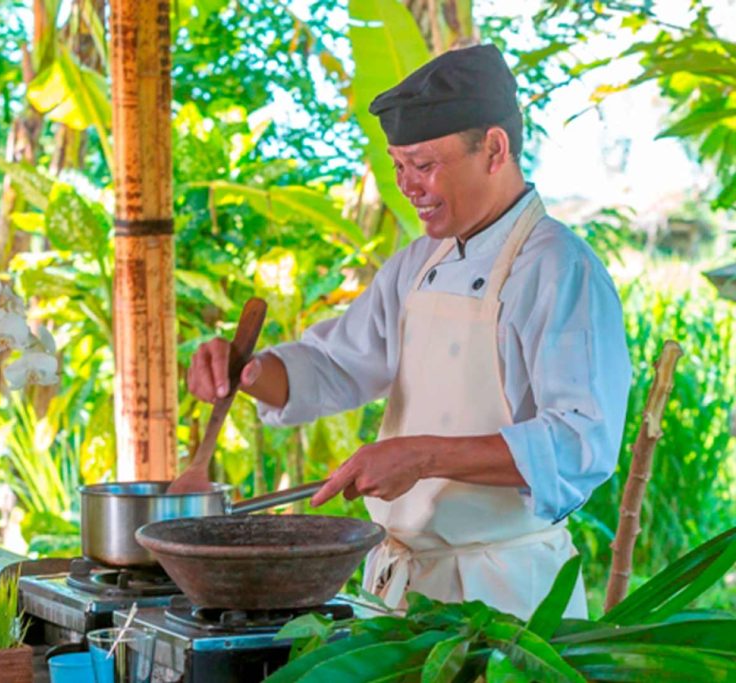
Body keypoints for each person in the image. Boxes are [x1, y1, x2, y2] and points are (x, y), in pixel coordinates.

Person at [186, 44, 631, 619]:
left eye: (423, 165)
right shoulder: (418, 264)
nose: (407, 185)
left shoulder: (559, 268)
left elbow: (581, 444)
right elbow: (339, 366)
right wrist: (251, 372)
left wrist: (424, 458)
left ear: (494, 149)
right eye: (398, 166)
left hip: (508, 601)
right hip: (402, 595)